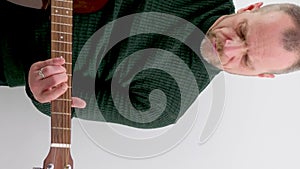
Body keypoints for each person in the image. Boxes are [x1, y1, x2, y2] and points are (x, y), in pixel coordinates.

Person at [3, 0, 300, 128]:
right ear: (250, 8)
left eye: (246, 59)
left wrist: (46, 91)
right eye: (243, 30)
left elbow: (62, 105)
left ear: (259, 76)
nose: (229, 47)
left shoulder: (167, 102)